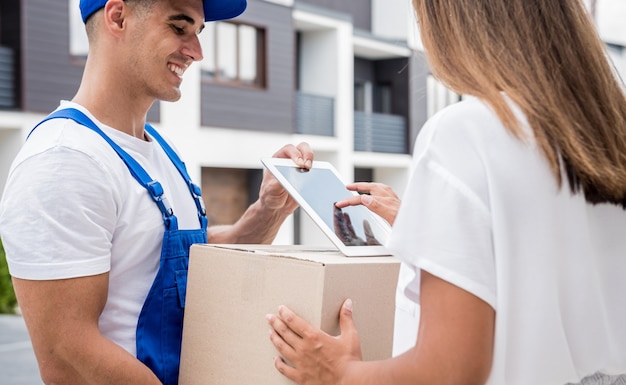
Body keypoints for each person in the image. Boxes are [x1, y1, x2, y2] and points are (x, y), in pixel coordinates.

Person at [266, 0, 626, 384]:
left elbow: (451, 370)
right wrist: (433, 230)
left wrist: (340, 373)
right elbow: (552, 255)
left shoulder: (465, 132)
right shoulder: (605, 135)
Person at [0, 0, 313, 384]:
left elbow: (195, 263)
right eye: (179, 28)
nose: (197, 52)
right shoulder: (65, 159)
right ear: (118, 17)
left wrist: (269, 210)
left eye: (199, 33)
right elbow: (69, 354)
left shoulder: (160, 151)